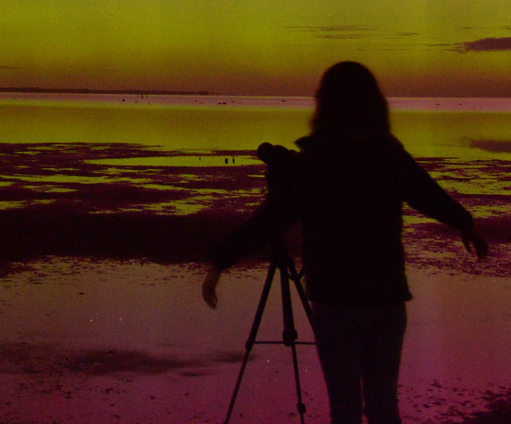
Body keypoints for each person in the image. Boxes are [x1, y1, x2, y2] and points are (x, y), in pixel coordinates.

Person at [202, 61, 488, 424]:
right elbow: (429, 195)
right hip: (385, 297)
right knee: (384, 406)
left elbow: (269, 220)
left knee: (345, 409)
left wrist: (220, 262)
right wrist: (466, 224)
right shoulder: (388, 155)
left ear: (326, 105)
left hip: (336, 301)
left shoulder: (315, 162)